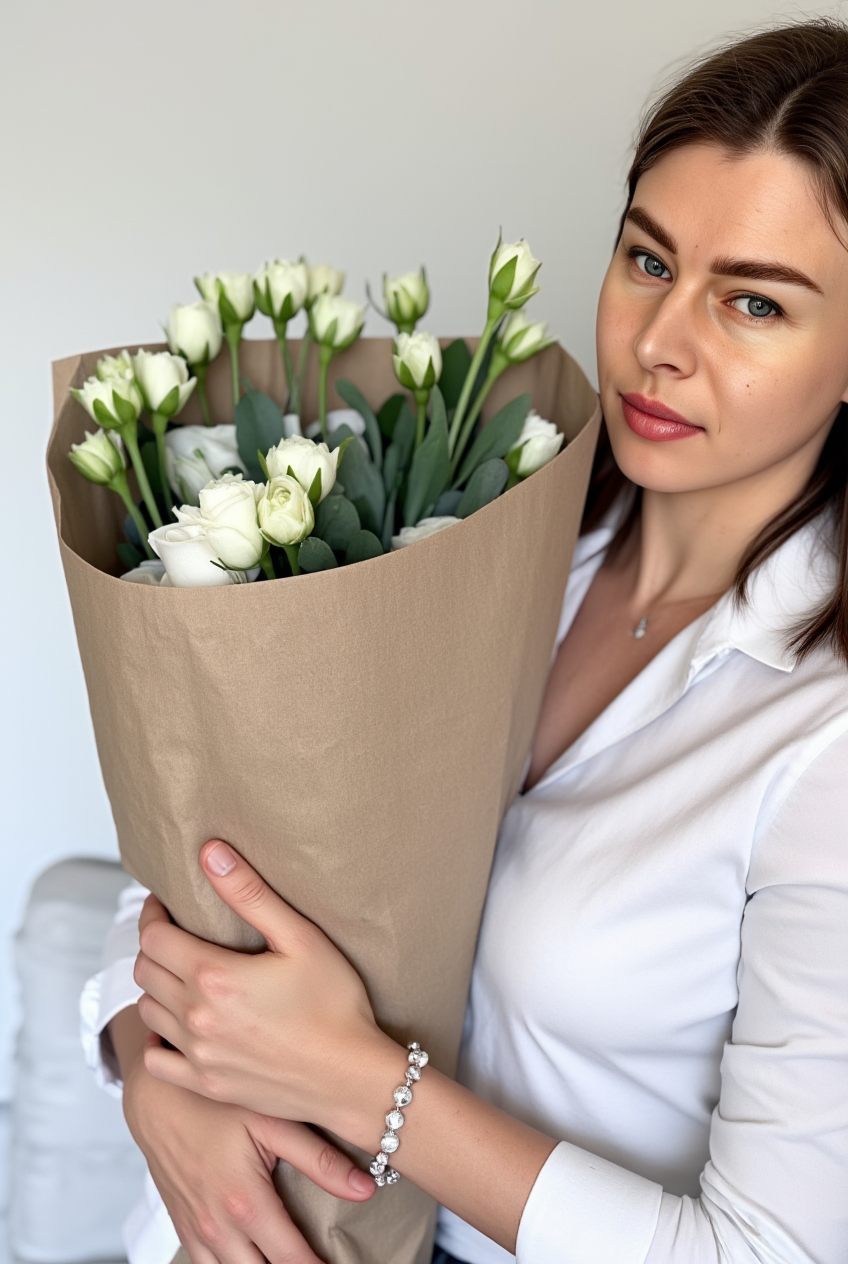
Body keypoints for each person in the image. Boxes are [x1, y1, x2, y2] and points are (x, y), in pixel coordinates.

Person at [82, 19, 848, 1264]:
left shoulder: (820, 740)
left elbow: (767, 1253)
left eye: (753, 300)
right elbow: (203, 856)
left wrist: (350, 1077)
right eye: (647, 262)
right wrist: (150, 1071)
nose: (661, 342)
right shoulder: (474, 524)